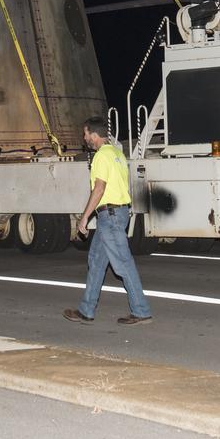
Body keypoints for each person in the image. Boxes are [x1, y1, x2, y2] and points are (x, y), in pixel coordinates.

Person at [63, 117, 153, 325]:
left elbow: (100, 188)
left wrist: (84, 218)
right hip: (116, 214)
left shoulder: (101, 157)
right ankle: (86, 311)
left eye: (85, 134)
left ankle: (141, 311)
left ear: (94, 135)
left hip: (110, 217)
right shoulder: (117, 154)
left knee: (123, 264)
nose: (84, 138)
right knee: (96, 262)